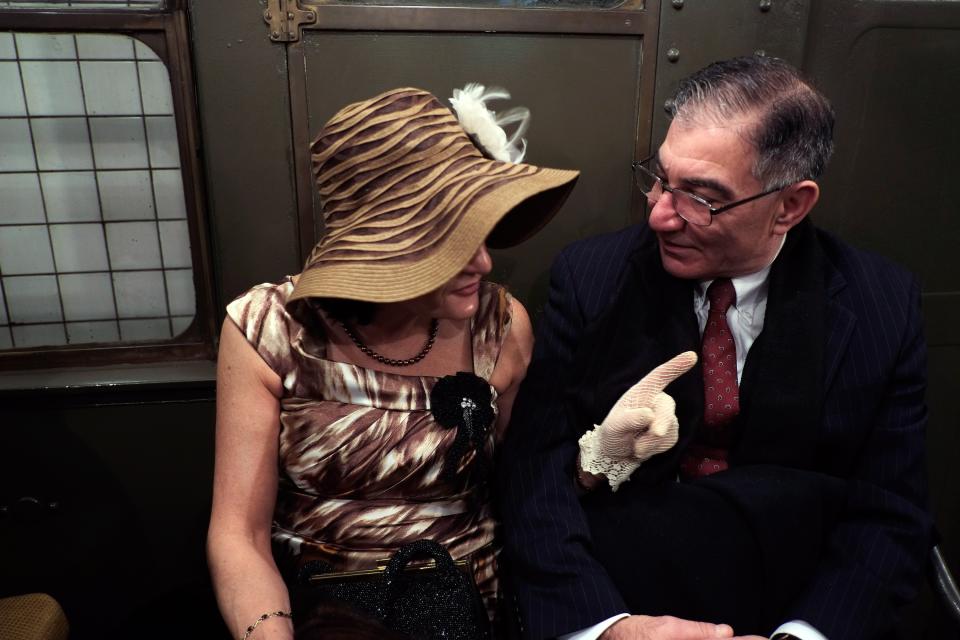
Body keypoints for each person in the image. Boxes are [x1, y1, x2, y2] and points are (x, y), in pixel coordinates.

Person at [499, 55, 933, 640]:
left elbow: (890, 511)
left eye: (701, 198)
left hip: (789, 601)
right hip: (621, 592)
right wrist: (604, 626)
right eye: (659, 178)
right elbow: (534, 477)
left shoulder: (881, 303)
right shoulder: (590, 278)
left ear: (790, 206)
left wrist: (807, 635)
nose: (658, 215)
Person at [207, 85, 579, 639]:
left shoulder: (502, 326)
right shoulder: (271, 329)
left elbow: (523, 490)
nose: (484, 260)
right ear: (389, 246)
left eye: (478, 230)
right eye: (450, 240)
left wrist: (596, 463)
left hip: (468, 608)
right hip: (314, 611)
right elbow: (238, 533)